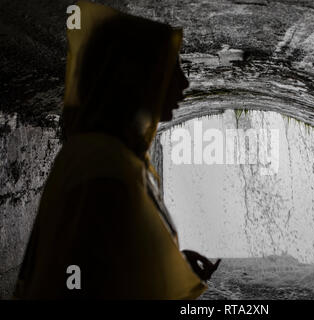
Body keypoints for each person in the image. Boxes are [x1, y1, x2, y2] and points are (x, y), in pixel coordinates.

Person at [14, 0, 220, 299]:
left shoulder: (106, 153)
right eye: (169, 70)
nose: (185, 83)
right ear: (133, 78)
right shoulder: (103, 164)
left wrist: (167, 263)